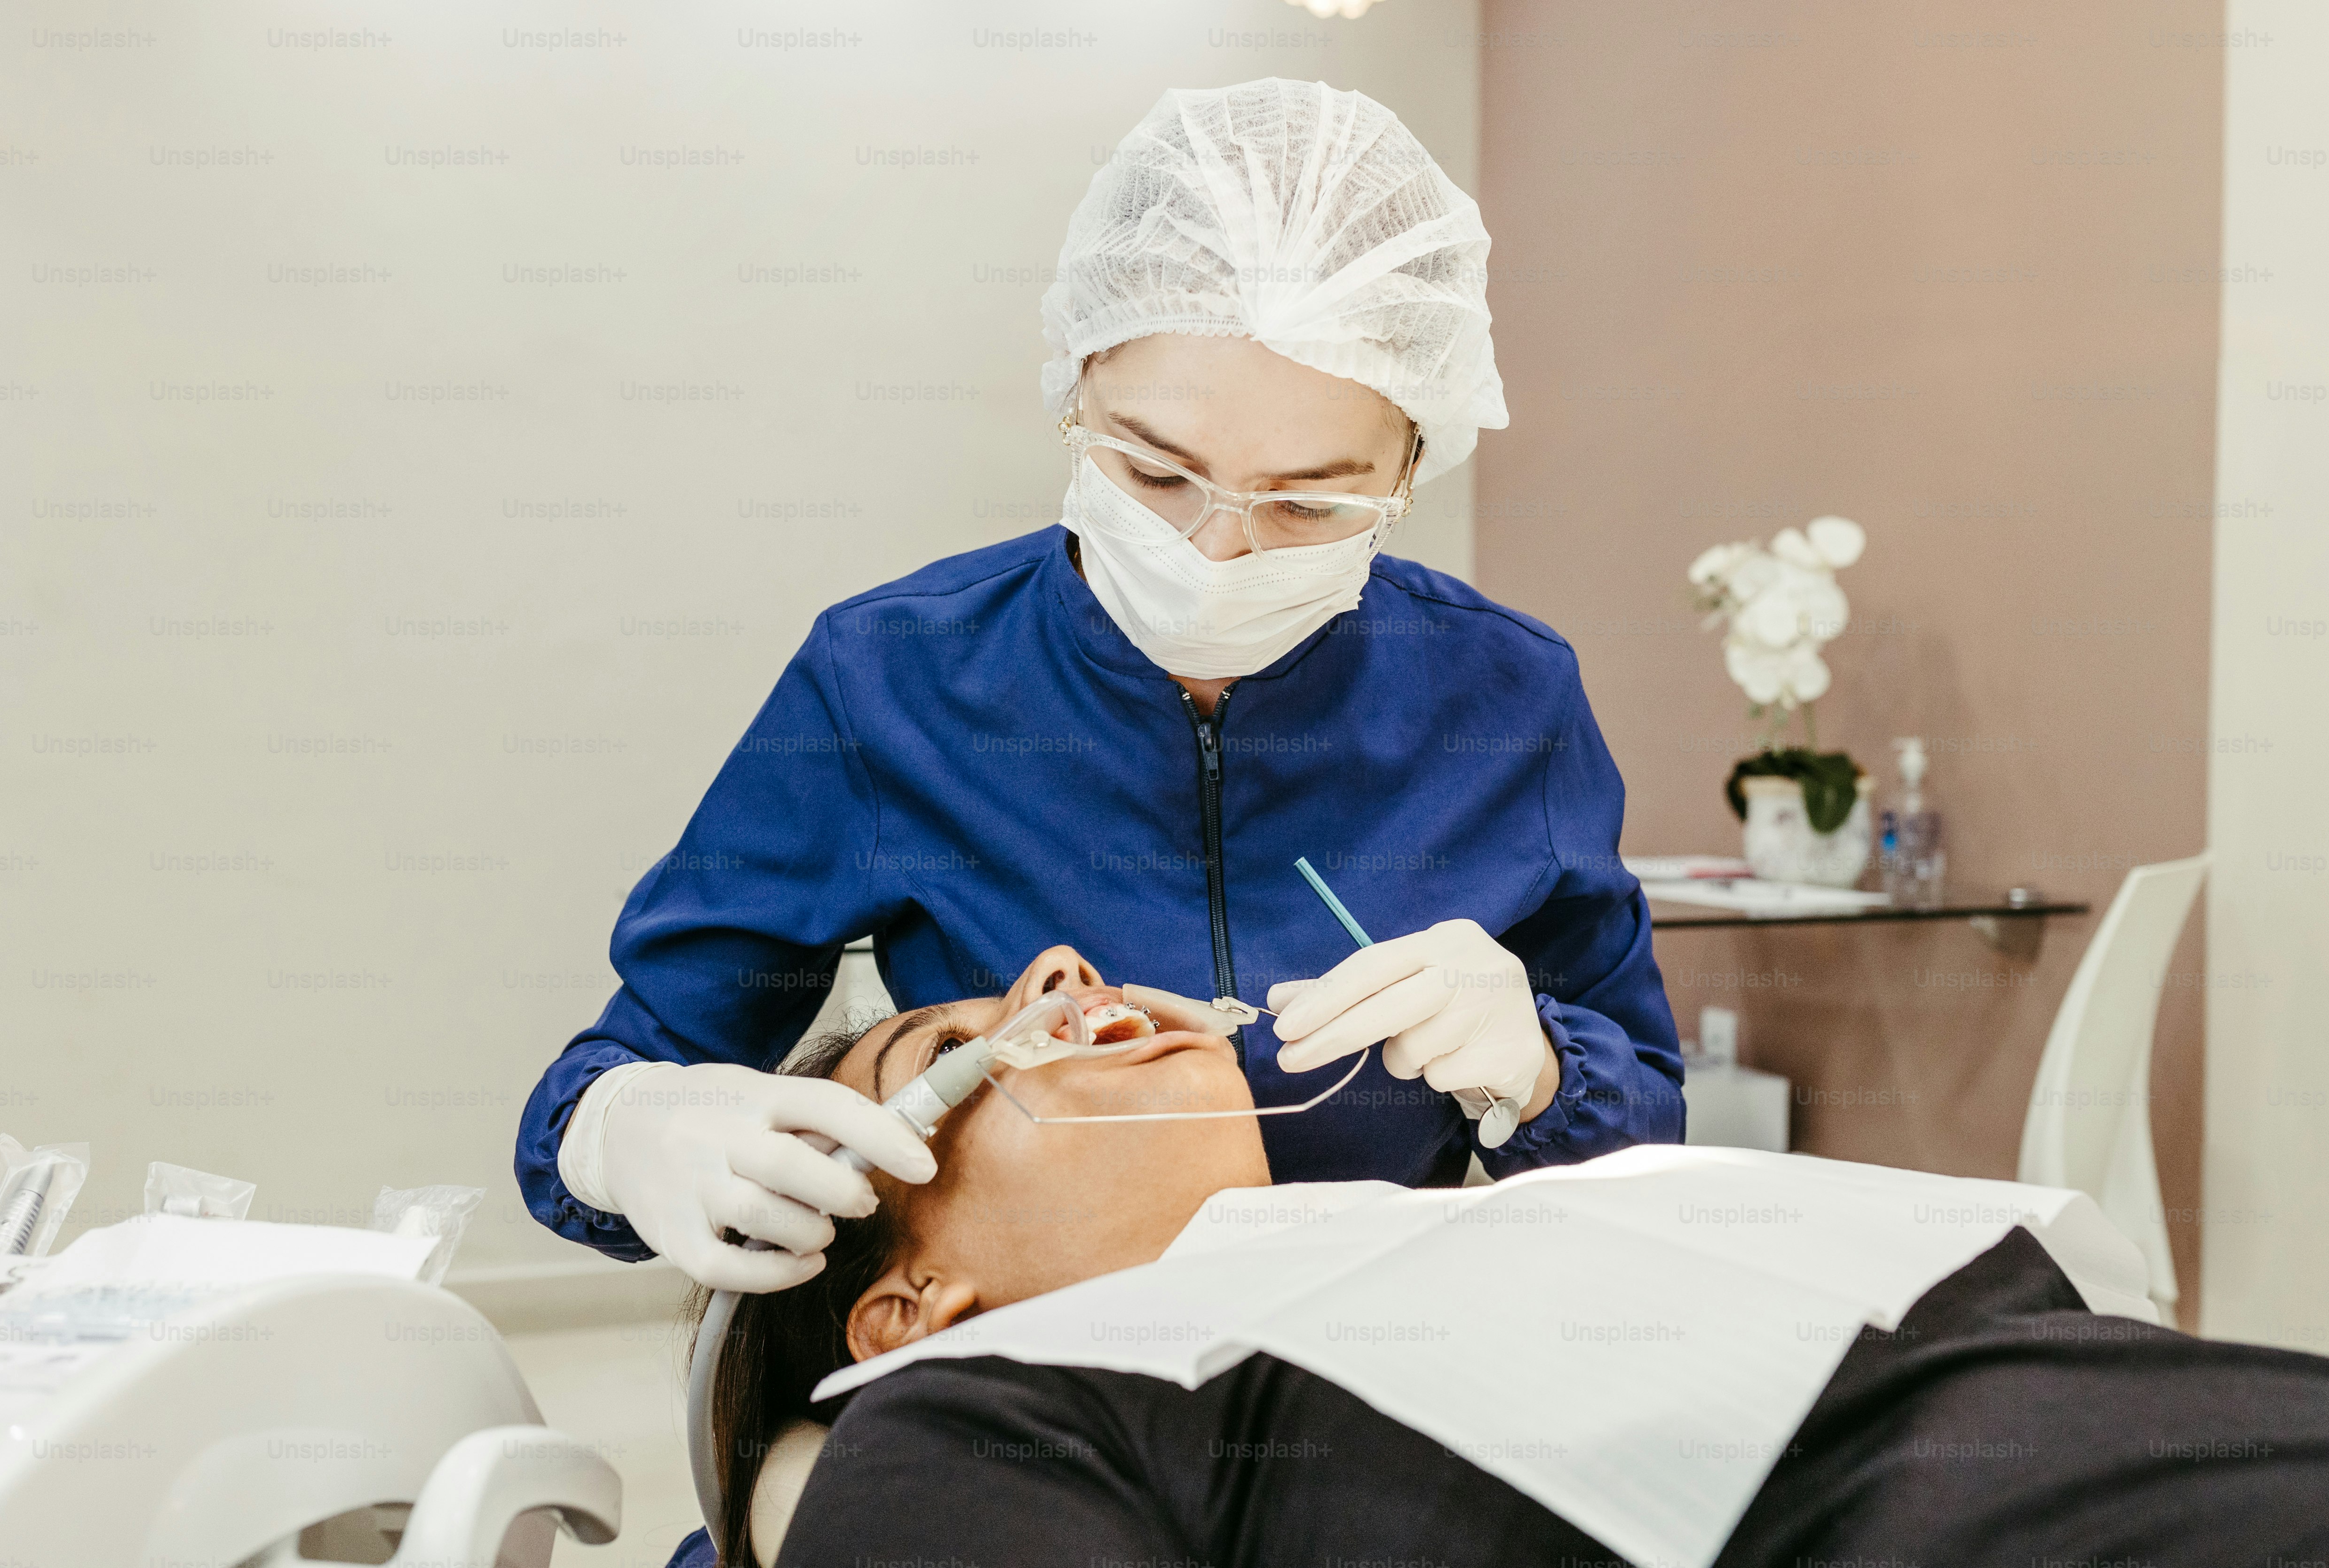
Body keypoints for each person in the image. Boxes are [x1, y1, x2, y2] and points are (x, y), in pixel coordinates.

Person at [516, 77, 1685, 1298]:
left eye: (1309, 502)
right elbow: (610, 1088)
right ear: (1077, 393)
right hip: (1017, 1391)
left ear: (1412, 467)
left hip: (1360, 1374)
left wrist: (1545, 1071)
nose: (1219, 549)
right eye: (1156, 471)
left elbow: (1649, 1136)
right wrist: (626, 1131)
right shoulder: (896, 679)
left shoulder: (1504, 700)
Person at [673, 952, 2329, 1568]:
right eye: (949, 1045)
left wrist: (1547, 1082)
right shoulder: (987, 1403)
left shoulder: (1428, 1235)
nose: (1053, 965)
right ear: (909, 1305)